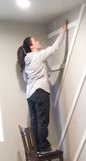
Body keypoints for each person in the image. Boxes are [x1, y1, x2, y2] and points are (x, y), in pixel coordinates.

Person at [17, 22, 67, 152]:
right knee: (42, 120)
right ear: (32, 46)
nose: (38, 41)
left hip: (30, 94)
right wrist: (62, 31)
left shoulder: (26, 60)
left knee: (35, 120)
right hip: (40, 91)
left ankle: (37, 145)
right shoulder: (38, 56)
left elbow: (25, 79)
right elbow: (55, 47)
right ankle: (43, 145)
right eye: (35, 40)